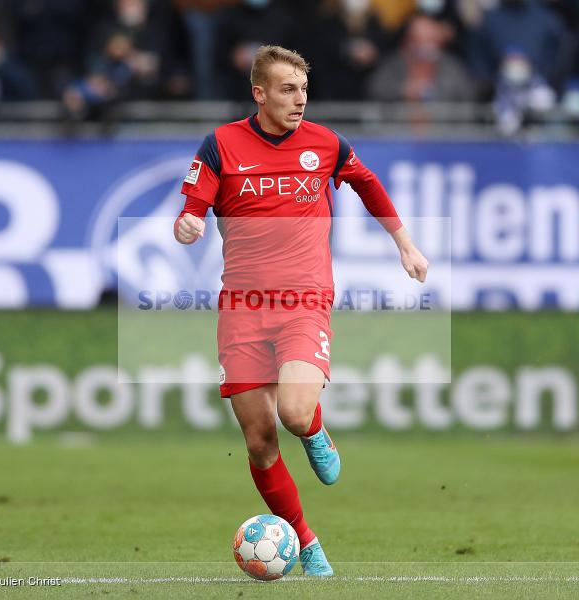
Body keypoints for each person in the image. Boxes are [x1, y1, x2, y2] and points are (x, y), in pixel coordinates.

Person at [173, 45, 428, 576]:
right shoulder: (221, 145)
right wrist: (188, 225)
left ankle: (313, 430)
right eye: (288, 90)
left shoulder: (325, 143)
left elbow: (366, 183)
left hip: (303, 301)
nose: (299, 101)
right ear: (259, 93)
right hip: (241, 307)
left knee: (291, 413)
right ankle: (307, 543)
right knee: (260, 440)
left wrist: (405, 243)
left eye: (304, 90)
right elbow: (191, 210)